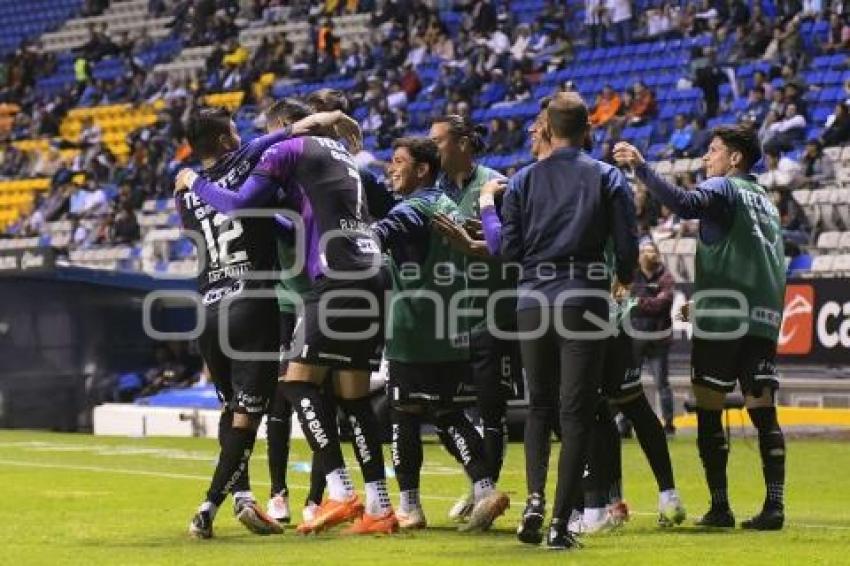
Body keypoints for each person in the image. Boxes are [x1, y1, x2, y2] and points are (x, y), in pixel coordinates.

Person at [176, 111, 398, 536]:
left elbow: (240, 202)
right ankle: (378, 505)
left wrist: (194, 182)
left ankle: (336, 491)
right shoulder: (344, 158)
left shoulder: (284, 151)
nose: (258, 138)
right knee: (349, 398)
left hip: (313, 283)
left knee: (292, 386)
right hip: (368, 269)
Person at [614, 124, 788, 531]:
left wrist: (643, 168)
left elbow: (685, 203)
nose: (706, 158)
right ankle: (775, 507)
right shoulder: (767, 201)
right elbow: (753, 259)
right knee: (764, 413)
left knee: (709, 413)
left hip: (724, 323)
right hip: (762, 320)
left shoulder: (725, 188)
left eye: (712, 151)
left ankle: (720, 507)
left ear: (735, 159)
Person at [176, 106, 329, 540]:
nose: (243, 137)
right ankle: (207, 509)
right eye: (235, 132)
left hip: (208, 310)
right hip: (252, 305)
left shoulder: (185, 191)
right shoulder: (247, 168)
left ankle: (245, 499)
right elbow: (284, 137)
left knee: (232, 410)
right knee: (248, 416)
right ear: (225, 141)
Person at [502, 92, 639, 550]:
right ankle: (561, 524)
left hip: (531, 300)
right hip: (583, 297)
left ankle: (534, 502)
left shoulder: (521, 180)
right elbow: (627, 246)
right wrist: (622, 277)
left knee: (538, 406)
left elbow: (508, 251)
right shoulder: (607, 177)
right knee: (575, 411)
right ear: (588, 130)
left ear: (547, 128)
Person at [374, 137, 509, 532]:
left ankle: (410, 506)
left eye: (399, 162)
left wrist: (363, 238)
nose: (390, 168)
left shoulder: (414, 207)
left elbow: (389, 227)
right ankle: (484, 488)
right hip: (451, 327)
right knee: (450, 415)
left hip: (414, 329)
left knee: (403, 415)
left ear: (422, 170)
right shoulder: (450, 203)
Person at [430, 114, 519, 523]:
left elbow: (511, 249)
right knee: (446, 406)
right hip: (453, 316)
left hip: (495, 314)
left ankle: (485, 494)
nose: (434, 149)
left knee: (490, 408)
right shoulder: (438, 190)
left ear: (463, 143)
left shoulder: (497, 186)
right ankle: (481, 483)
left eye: (439, 141)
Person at [629, 239, 677, 433]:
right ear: (639, 255)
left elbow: (662, 304)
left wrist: (637, 302)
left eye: (651, 251)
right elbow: (621, 298)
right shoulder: (631, 275)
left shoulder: (666, 277)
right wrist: (648, 301)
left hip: (659, 339)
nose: (648, 254)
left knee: (662, 383)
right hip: (635, 338)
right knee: (629, 383)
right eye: (645, 251)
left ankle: (668, 424)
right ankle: (625, 424)